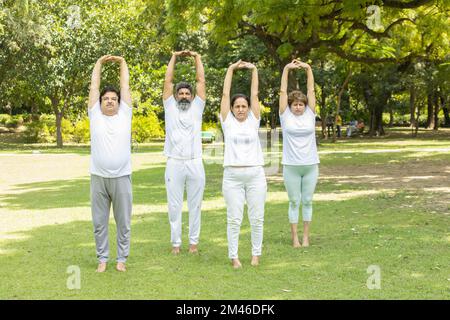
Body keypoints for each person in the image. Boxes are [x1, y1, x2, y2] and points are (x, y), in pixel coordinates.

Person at [88, 55, 133, 272]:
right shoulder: (94, 114)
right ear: (100, 102)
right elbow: (94, 87)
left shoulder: (125, 114)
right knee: (99, 223)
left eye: (113, 99)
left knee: (123, 223)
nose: (109, 101)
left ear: (118, 102)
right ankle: (103, 259)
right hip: (99, 177)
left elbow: (125, 85)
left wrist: (122, 62)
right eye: (106, 98)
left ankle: (121, 259)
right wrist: (99, 63)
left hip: (122, 177)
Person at [220, 60, 267, 269]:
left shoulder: (253, 120)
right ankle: (234, 256)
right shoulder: (227, 121)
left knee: (257, 218)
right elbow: (224, 94)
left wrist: (254, 70)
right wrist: (230, 69)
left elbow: (255, 94)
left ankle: (256, 254)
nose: (240, 109)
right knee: (234, 219)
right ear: (231, 108)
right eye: (237, 106)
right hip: (232, 177)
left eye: (243, 106)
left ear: (249, 108)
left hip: (255, 175)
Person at [162, 50, 206, 255]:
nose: (184, 96)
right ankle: (176, 244)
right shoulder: (170, 107)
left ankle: (194, 244)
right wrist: (175, 56)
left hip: (195, 162)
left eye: (187, 93)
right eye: (181, 93)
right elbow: (168, 81)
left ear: (192, 96)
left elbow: (200, 81)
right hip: (174, 163)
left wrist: (197, 57)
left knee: (195, 205)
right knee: (174, 205)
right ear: (176, 96)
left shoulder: (197, 108)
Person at [279, 59, 320, 248]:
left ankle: (306, 237)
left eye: (300, 104)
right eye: (294, 104)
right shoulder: (284, 115)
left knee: (308, 200)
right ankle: (294, 237)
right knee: (294, 201)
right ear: (290, 105)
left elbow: (311, 91)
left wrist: (308, 69)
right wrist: (287, 69)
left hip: (310, 165)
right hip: (291, 166)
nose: (298, 107)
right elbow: (282, 91)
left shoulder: (310, 114)